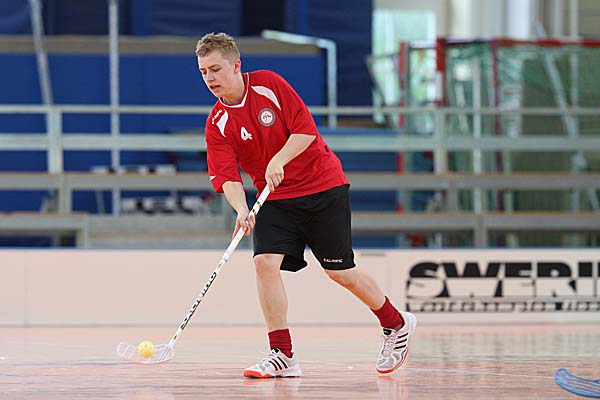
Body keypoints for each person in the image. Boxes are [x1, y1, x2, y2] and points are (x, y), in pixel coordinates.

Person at [195, 32, 416, 378]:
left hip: (322, 186)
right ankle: (282, 353)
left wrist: (278, 159)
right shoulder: (217, 123)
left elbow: (305, 131)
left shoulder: (268, 85)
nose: (210, 78)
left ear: (236, 66)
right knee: (264, 263)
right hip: (274, 198)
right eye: (204, 72)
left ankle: (396, 323)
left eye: (215, 69)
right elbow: (226, 177)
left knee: (340, 273)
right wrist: (240, 209)